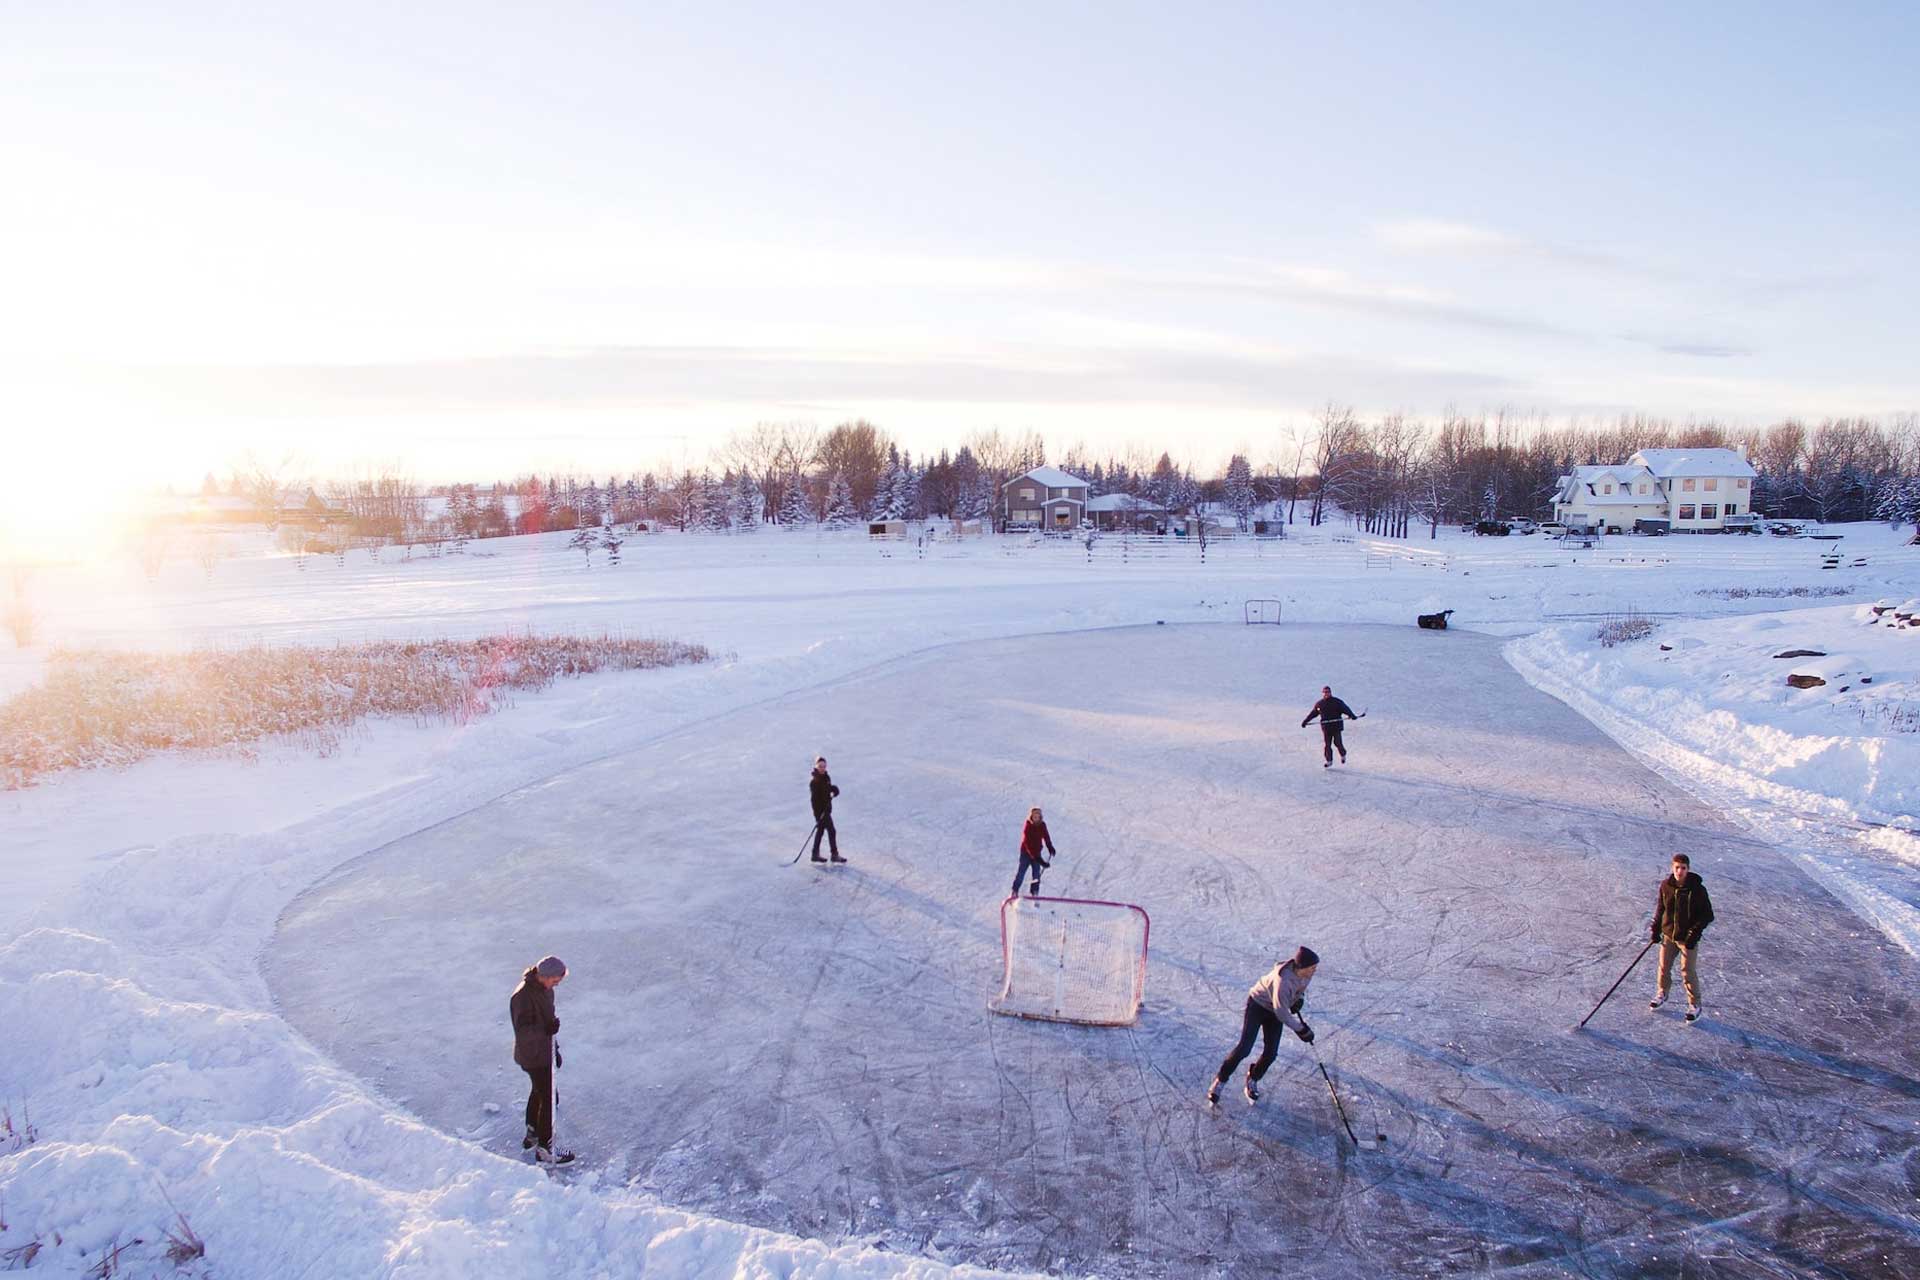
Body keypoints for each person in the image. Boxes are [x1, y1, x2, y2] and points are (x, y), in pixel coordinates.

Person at [1207, 946, 1319, 1104]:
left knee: (1271, 1053)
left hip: (1274, 1009)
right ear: (1301, 967)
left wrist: (1298, 1000)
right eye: (1312, 967)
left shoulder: (1306, 974)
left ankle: (1253, 1078)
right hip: (1258, 1005)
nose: (1315, 970)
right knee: (1244, 1048)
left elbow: (1299, 990)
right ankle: (1220, 1080)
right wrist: (1302, 1030)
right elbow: (1281, 1012)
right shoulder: (1283, 981)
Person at [510, 955, 572, 1162]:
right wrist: (545, 1030)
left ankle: (532, 1132)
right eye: (555, 980)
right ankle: (546, 1149)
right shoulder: (522, 997)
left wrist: (555, 1049)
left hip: (543, 1051)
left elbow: (548, 1023)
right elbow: (523, 1031)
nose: (557, 984)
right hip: (533, 1055)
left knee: (539, 1091)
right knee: (548, 1097)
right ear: (544, 976)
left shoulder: (545, 991)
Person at [1649, 854, 1714, 1021]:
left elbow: (1707, 915)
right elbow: (1660, 909)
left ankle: (1695, 1004)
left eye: (1683, 868)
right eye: (1677, 867)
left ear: (1688, 869)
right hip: (1669, 935)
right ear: (1672, 868)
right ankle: (1662, 992)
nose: (1679, 871)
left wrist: (1694, 933)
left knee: (1687, 971)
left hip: (1687, 939)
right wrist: (1656, 929)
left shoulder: (1697, 889)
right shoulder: (1666, 886)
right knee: (1663, 966)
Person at [1301, 686, 1358, 768]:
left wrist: (1352, 715)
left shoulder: (1337, 702)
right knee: (1327, 745)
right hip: (1326, 728)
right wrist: (1305, 721)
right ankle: (1329, 760)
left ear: (1330, 692)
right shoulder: (1319, 704)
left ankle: (1343, 754)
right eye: (1324, 692)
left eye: (1328, 692)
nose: (1326, 693)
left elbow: (1345, 709)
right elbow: (1313, 714)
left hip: (1336, 726)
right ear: (1322, 693)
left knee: (1337, 742)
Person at [1011, 806, 1056, 897]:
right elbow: (1028, 844)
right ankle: (1015, 890)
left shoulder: (1042, 825)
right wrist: (1039, 859)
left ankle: (1034, 892)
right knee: (1021, 872)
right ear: (1031, 816)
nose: (1036, 818)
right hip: (1026, 853)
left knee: (1036, 874)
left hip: (1037, 853)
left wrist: (1050, 847)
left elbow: (1046, 837)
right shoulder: (1028, 826)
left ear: (1040, 817)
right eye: (1034, 816)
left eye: (1038, 816)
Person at [809, 756, 845, 864]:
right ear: (816, 766)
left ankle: (815, 854)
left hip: (826, 810)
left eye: (824, 766)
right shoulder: (814, 782)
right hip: (821, 812)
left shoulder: (826, 778)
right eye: (820, 766)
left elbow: (827, 789)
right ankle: (834, 854)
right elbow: (814, 801)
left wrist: (834, 789)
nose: (822, 768)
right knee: (832, 831)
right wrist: (818, 814)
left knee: (820, 831)